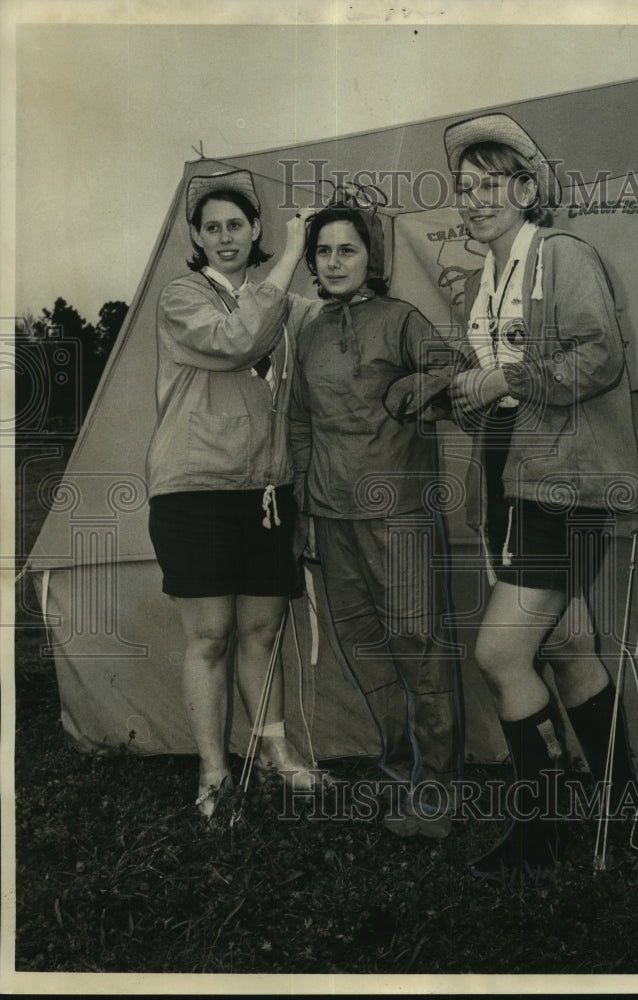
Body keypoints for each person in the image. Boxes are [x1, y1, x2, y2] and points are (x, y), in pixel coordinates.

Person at [442, 114, 638, 883]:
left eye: (491, 185)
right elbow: (506, 388)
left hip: (564, 482)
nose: (474, 199)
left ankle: (544, 825)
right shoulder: (490, 276)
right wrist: (471, 391)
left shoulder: (561, 256)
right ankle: (622, 814)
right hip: (511, 475)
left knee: (500, 651)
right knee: (564, 645)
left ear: (528, 191)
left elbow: (599, 356)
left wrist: (508, 379)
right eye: (465, 188)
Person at [145, 169, 320, 822]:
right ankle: (215, 772)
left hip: (265, 494)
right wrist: (292, 259)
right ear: (196, 235)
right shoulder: (182, 297)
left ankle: (272, 751)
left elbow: (308, 345)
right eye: (212, 227)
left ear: (255, 231)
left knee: (261, 629)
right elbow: (240, 337)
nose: (225, 237)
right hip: (194, 492)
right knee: (211, 636)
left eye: (237, 226)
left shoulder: (279, 302)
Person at [289, 197, 464, 839]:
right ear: (312, 262)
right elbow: (300, 424)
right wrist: (305, 512)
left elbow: (456, 370)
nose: (334, 262)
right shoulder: (307, 332)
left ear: (372, 258)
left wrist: (411, 390)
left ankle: (437, 793)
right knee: (364, 648)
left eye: (348, 250)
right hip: (331, 518)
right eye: (324, 251)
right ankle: (400, 774)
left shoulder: (401, 319)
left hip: (402, 513)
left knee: (418, 646)